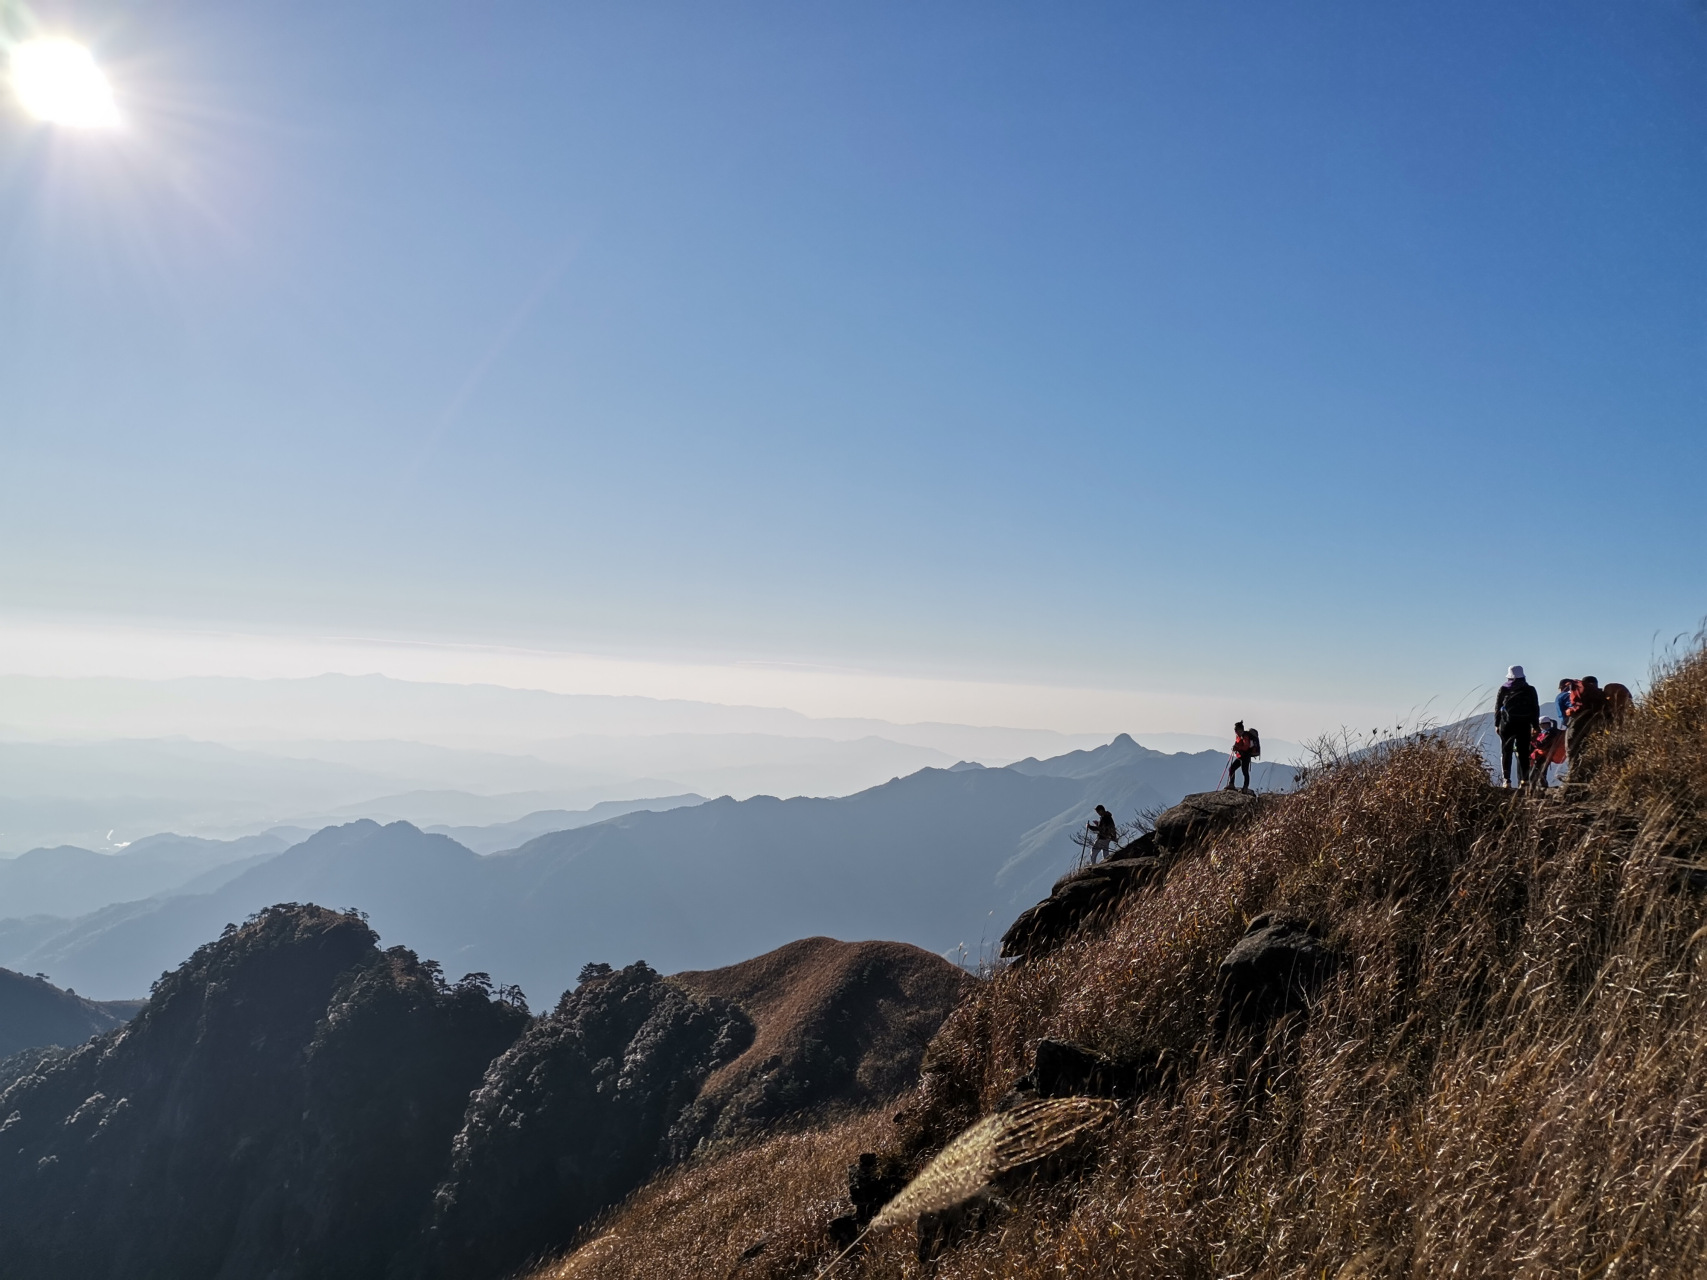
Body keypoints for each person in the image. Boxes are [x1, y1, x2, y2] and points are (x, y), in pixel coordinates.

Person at [1494, 665, 1540, 788]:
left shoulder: (1504, 689)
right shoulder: (1530, 689)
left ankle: (1507, 780)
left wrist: (1497, 724)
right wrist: (1535, 725)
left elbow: (1498, 708)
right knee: (1523, 752)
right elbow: (1535, 708)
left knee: (1506, 751)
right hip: (1524, 724)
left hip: (1507, 724)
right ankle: (1525, 780)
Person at [1567, 675, 1608, 770]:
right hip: (1598, 725)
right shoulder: (1601, 695)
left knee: (1574, 750)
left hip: (1578, 724)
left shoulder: (1578, 698)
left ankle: (1574, 772)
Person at [1528, 716, 1567, 790]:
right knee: (1541, 773)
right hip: (1546, 755)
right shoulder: (1554, 732)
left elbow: (1542, 745)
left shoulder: (1550, 733)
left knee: (1534, 774)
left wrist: (1532, 740)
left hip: (1542, 755)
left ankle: (1536, 788)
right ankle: (1542, 785)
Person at [1224, 721, 1258, 793]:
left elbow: (1246, 747)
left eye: (1236, 730)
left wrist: (1238, 748)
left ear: (1240, 730)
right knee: (1232, 769)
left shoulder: (1245, 736)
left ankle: (1245, 788)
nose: (1235, 732)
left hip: (1245, 756)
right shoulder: (1238, 737)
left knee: (1245, 772)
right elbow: (1237, 744)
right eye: (1235, 730)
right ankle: (1232, 784)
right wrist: (1235, 747)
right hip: (1240, 756)